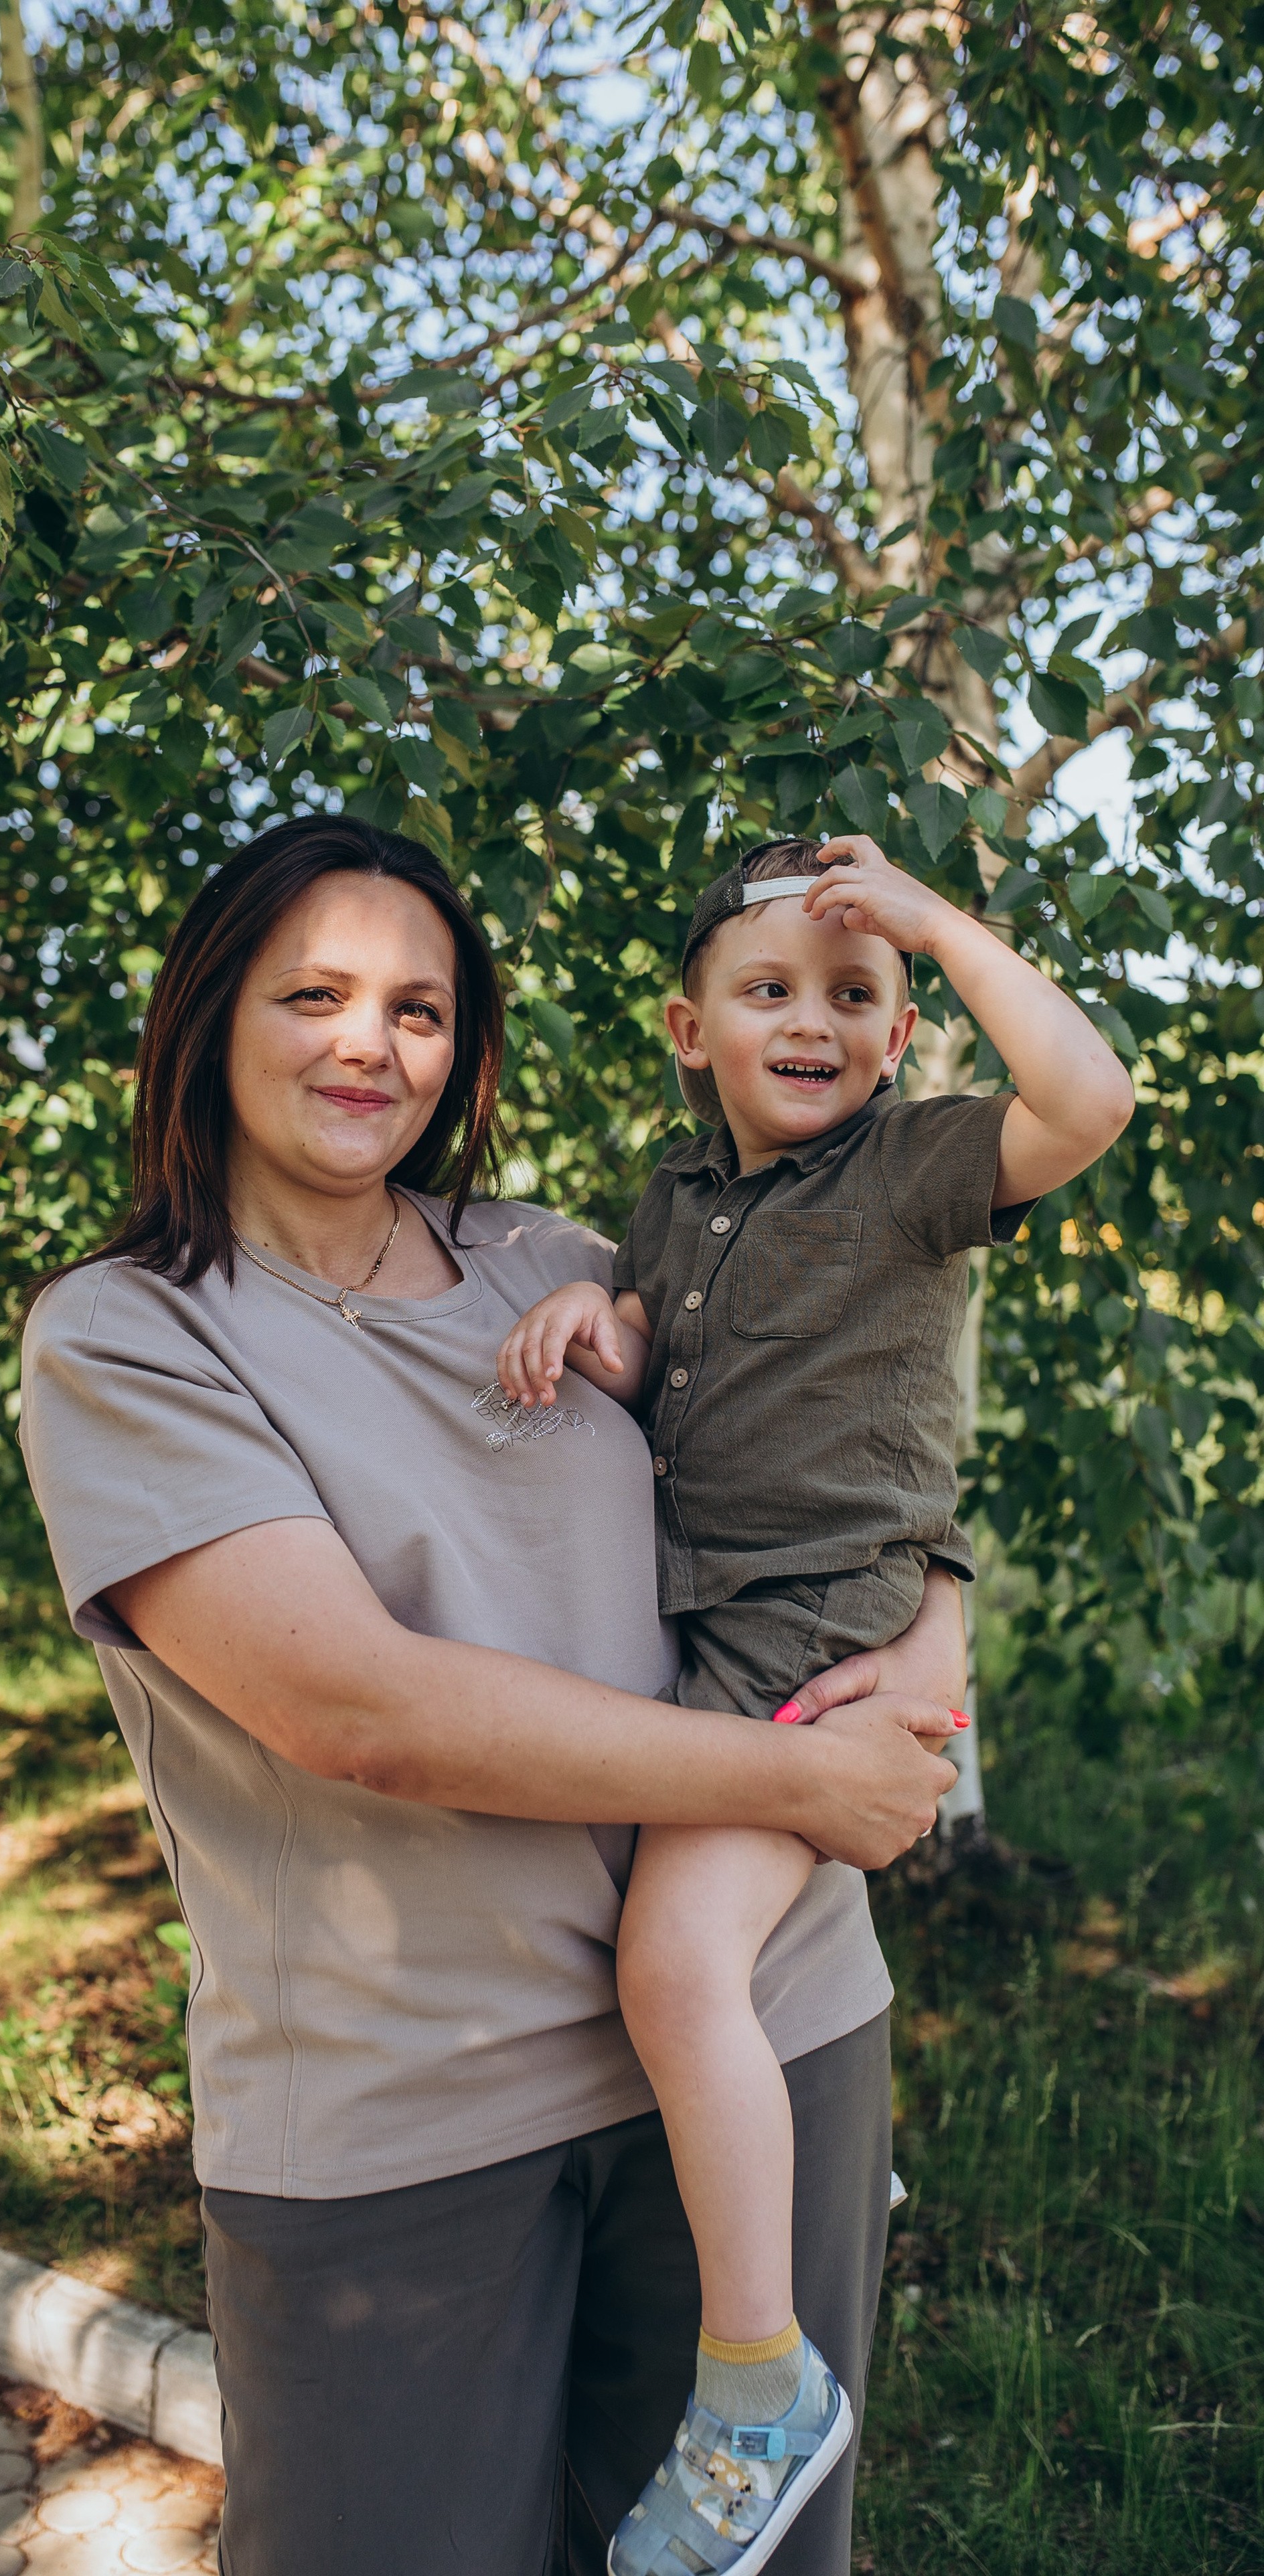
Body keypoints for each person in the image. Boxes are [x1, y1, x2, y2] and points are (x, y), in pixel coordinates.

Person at [17, 815, 964, 2576]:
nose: (369, 1044)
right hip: (412, 2113)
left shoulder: (553, 1258)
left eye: (420, 1009)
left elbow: (811, 1455)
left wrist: (947, 1613)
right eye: (315, 994)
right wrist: (795, 1788)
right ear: (212, 1018)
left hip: (765, 2024)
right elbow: (355, 1708)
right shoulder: (131, 1335)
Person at [496, 831, 1135, 2574]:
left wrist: (933, 919)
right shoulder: (675, 1195)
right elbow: (667, 1369)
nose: (813, 1021)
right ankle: (808, 2183)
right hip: (713, 1631)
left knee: (675, 1964)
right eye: (769, 989)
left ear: (902, 1028)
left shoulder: (915, 1169)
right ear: (689, 1028)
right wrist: (592, 1322)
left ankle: (760, 2382)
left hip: (815, 1634)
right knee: (688, 1948)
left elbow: (1088, 1096)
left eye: (855, 995)